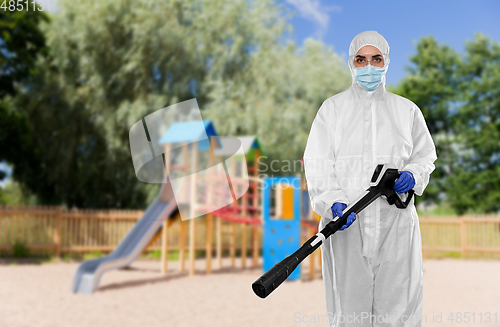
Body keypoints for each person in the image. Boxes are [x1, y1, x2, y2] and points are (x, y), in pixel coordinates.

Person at [303, 31, 437, 327]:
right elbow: (317, 163)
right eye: (360, 59)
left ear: (386, 62)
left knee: (399, 304)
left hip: (396, 225)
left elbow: (426, 156)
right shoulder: (333, 110)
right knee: (349, 309)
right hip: (347, 223)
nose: (368, 67)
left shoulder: (407, 111)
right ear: (351, 63)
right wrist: (333, 202)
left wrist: (412, 175)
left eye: (376, 59)